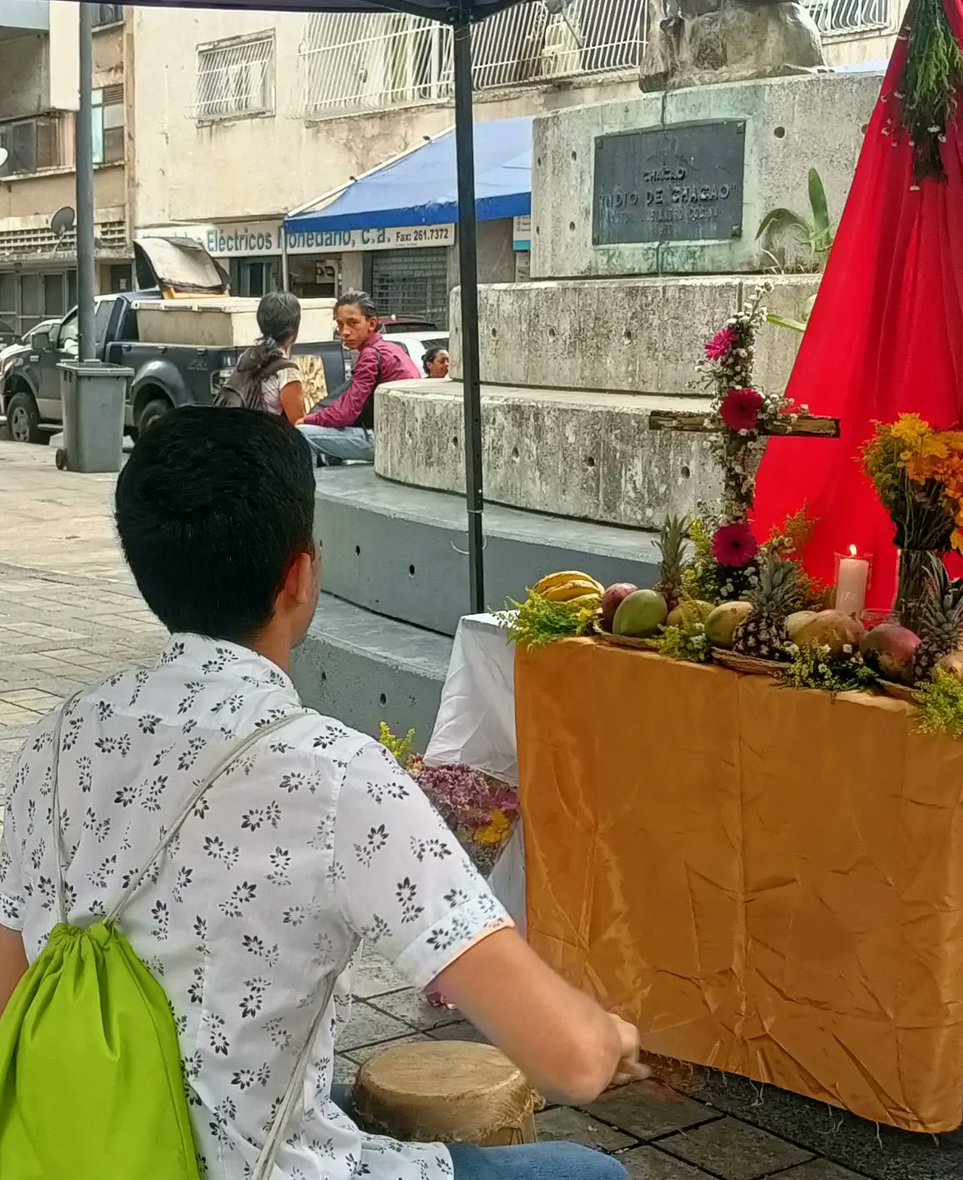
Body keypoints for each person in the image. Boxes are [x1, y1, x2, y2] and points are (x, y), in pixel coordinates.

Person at [0, 407, 643, 1180]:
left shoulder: (54, 738)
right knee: (588, 1171)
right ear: (299, 574)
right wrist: (609, 1036)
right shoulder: (338, 777)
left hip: (72, 1142)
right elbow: (572, 1061)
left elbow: (11, 987)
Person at [299, 291, 420, 464]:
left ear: (371, 324)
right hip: (405, 438)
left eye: (353, 323)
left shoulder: (371, 355)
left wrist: (307, 419)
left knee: (301, 433)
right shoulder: (392, 349)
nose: (345, 332)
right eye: (340, 325)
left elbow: (346, 413)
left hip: (387, 441)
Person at [221, 291, 306, 424]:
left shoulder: (247, 357)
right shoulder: (287, 372)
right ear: (294, 330)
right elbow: (299, 424)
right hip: (265, 435)